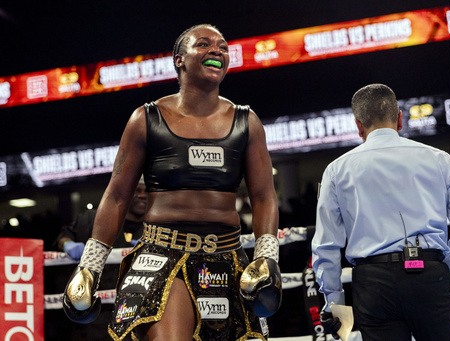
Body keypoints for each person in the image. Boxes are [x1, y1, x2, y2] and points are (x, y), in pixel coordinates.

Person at [62, 24, 281, 341]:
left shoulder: (247, 121)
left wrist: (267, 257)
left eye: (222, 46)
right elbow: (117, 197)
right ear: (179, 59)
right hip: (163, 254)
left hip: (226, 254)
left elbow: (263, 197)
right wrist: (90, 267)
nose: (216, 50)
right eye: (203, 44)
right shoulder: (146, 119)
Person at [312, 83, 450, 341]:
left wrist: (334, 301)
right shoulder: (439, 159)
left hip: (372, 283)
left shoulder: (336, 170)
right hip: (429, 273)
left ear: (358, 125)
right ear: (400, 118)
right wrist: (449, 266)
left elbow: (326, 244)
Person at [55, 179, 147, 340]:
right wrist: (68, 245)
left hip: (138, 311)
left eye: (146, 191)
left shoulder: (156, 226)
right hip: (97, 314)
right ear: (126, 193)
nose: (142, 196)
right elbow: (64, 236)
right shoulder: (95, 219)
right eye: (137, 191)